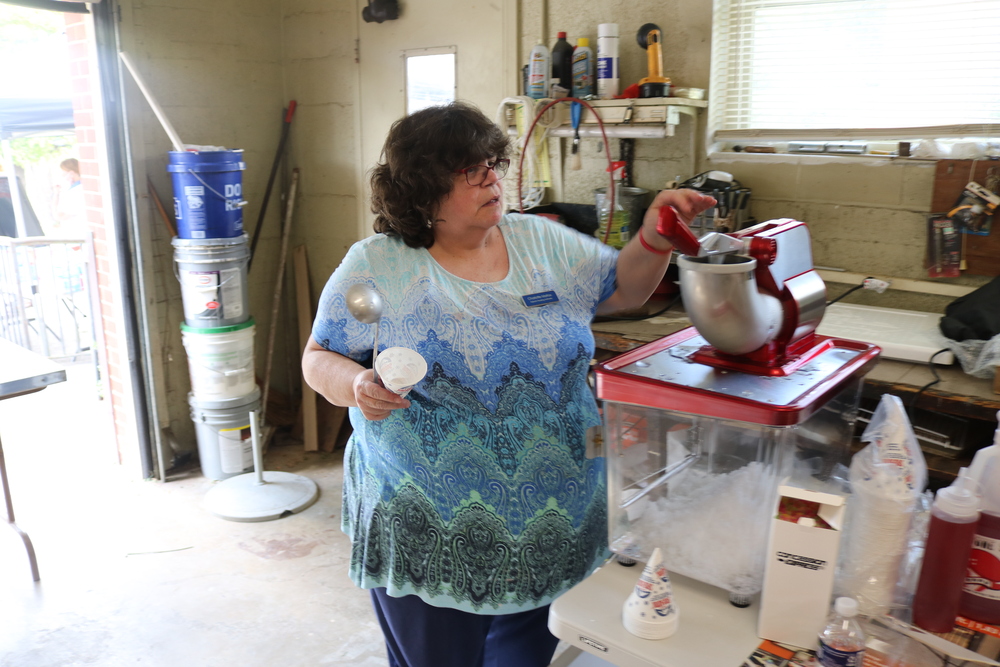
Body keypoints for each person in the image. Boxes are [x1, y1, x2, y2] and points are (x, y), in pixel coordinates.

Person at [302, 101, 714, 667]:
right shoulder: (380, 267)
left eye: (491, 163)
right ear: (423, 193)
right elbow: (319, 355)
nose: (491, 177)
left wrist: (655, 239)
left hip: (556, 524)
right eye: (468, 170)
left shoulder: (541, 242)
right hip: (433, 531)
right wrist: (356, 385)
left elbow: (622, 289)